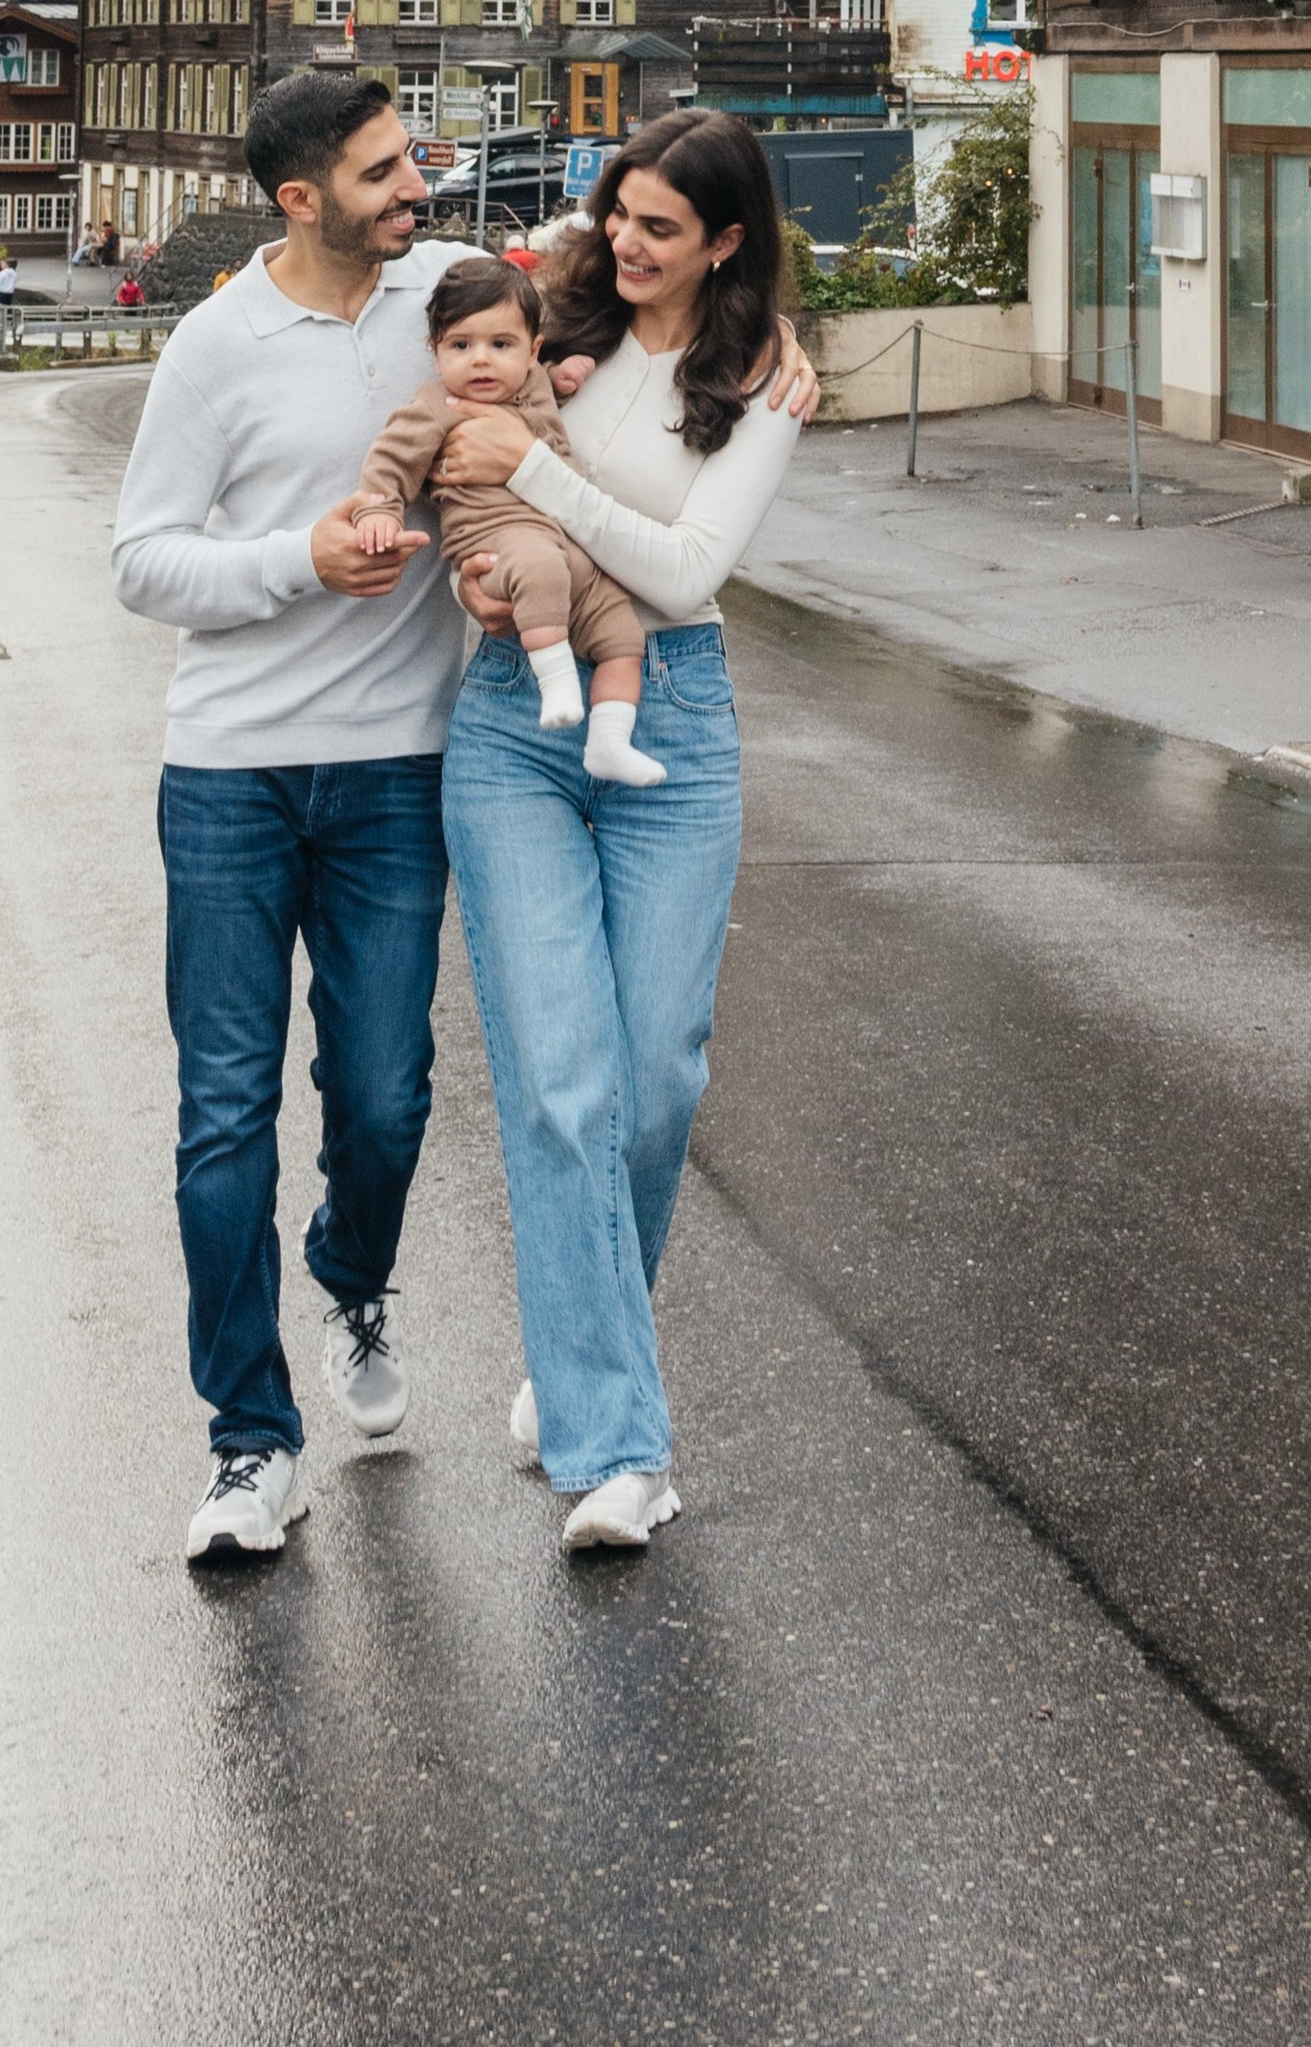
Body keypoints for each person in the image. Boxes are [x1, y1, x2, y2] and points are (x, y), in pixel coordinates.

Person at [430, 109, 806, 1557]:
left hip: (681, 709)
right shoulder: (538, 322)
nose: (626, 242)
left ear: (723, 240)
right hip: (514, 728)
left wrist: (534, 481)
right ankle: (618, 1447)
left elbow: (690, 562)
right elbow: (444, 455)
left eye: (661, 225)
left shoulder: (762, 369)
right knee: (564, 1079)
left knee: (657, 1078)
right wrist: (478, 562)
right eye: (618, 212)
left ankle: (581, 1346)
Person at [110, 73, 474, 1568]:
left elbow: (639, 283)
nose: (416, 184)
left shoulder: (446, 301)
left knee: (384, 1097)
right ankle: (250, 1443)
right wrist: (297, 560)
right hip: (232, 778)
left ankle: (352, 1269)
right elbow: (143, 561)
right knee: (223, 1115)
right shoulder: (215, 345)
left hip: (396, 769)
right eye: (385, 169)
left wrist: (764, 328)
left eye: (412, 157)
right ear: (299, 196)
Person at [345, 256, 658, 783]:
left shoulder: (534, 381)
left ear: (532, 350)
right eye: (461, 346)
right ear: (435, 350)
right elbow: (391, 461)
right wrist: (377, 508)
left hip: (568, 547)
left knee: (623, 633)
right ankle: (556, 682)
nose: (481, 362)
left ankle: (609, 739)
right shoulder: (436, 405)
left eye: (501, 345)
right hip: (497, 547)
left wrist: (563, 376)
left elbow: (541, 399)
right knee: (538, 568)